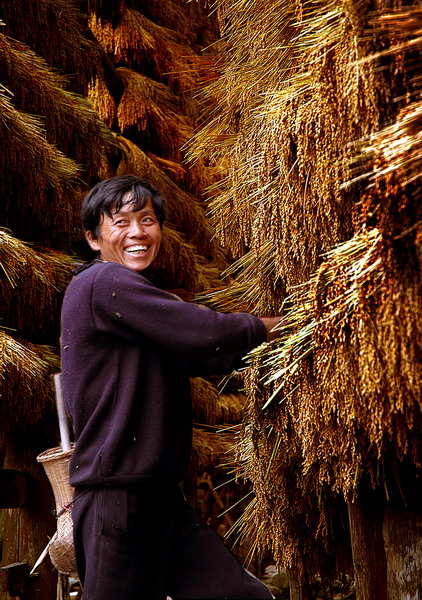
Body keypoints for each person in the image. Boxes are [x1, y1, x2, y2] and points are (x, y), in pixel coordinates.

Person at [60, 175, 280, 600]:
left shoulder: (134, 308)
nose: (138, 232)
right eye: (120, 222)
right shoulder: (101, 283)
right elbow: (205, 332)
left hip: (158, 500)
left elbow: (208, 356)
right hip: (117, 500)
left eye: (147, 220)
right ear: (93, 238)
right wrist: (279, 326)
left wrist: (286, 346)